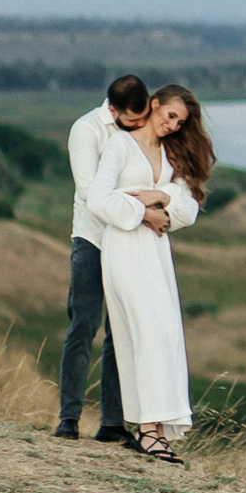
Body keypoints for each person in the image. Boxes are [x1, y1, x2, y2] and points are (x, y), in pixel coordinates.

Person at [85, 82, 216, 464]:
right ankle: (147, 431)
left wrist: (162, 198)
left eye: (180, 122)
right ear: (154, 104)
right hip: (125, 247)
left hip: (156, 253)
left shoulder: (171, 154)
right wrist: (143, 212)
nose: (173, 125)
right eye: (170, 115)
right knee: (145, 333)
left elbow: (188, 210)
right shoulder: (120, 145)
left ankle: (154, 429)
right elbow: (98, 199)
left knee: (164, 334)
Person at [55, 74, 160, 443]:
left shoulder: (145, 125)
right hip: (93, 237)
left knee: (122, 332)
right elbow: (90, 193)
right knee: (84, 324)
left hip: (130, 242)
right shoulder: (86, 130)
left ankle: (113, 424)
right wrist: (144, 207)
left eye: (143, 117)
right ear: (113, 111)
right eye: (132, 120)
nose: (139, 125)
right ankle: (69, 419)